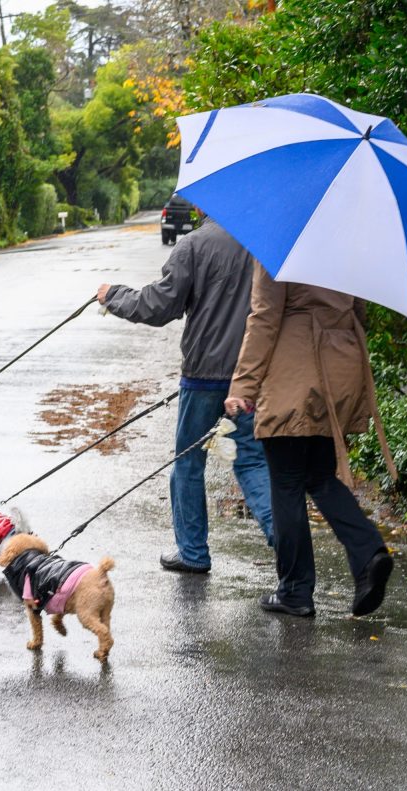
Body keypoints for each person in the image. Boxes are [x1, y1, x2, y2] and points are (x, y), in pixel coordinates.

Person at [97, 214, 274, 573]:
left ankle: (192, 552)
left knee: (188, 465)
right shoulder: (264, 244)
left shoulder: (195, 244)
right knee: (253, 462)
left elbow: (159, 305)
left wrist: (112, 295)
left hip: (203, 376)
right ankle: (286, 539)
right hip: (249, 377)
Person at [224, 264, 397, 617]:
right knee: (319, 475)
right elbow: (358, 311)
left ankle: (294, 590)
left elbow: (264, 318)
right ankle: (369, 552)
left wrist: (243, 385)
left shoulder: (282, 243)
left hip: (295, 372)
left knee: (286, 482)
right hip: (340, 366)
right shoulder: (345, 242)